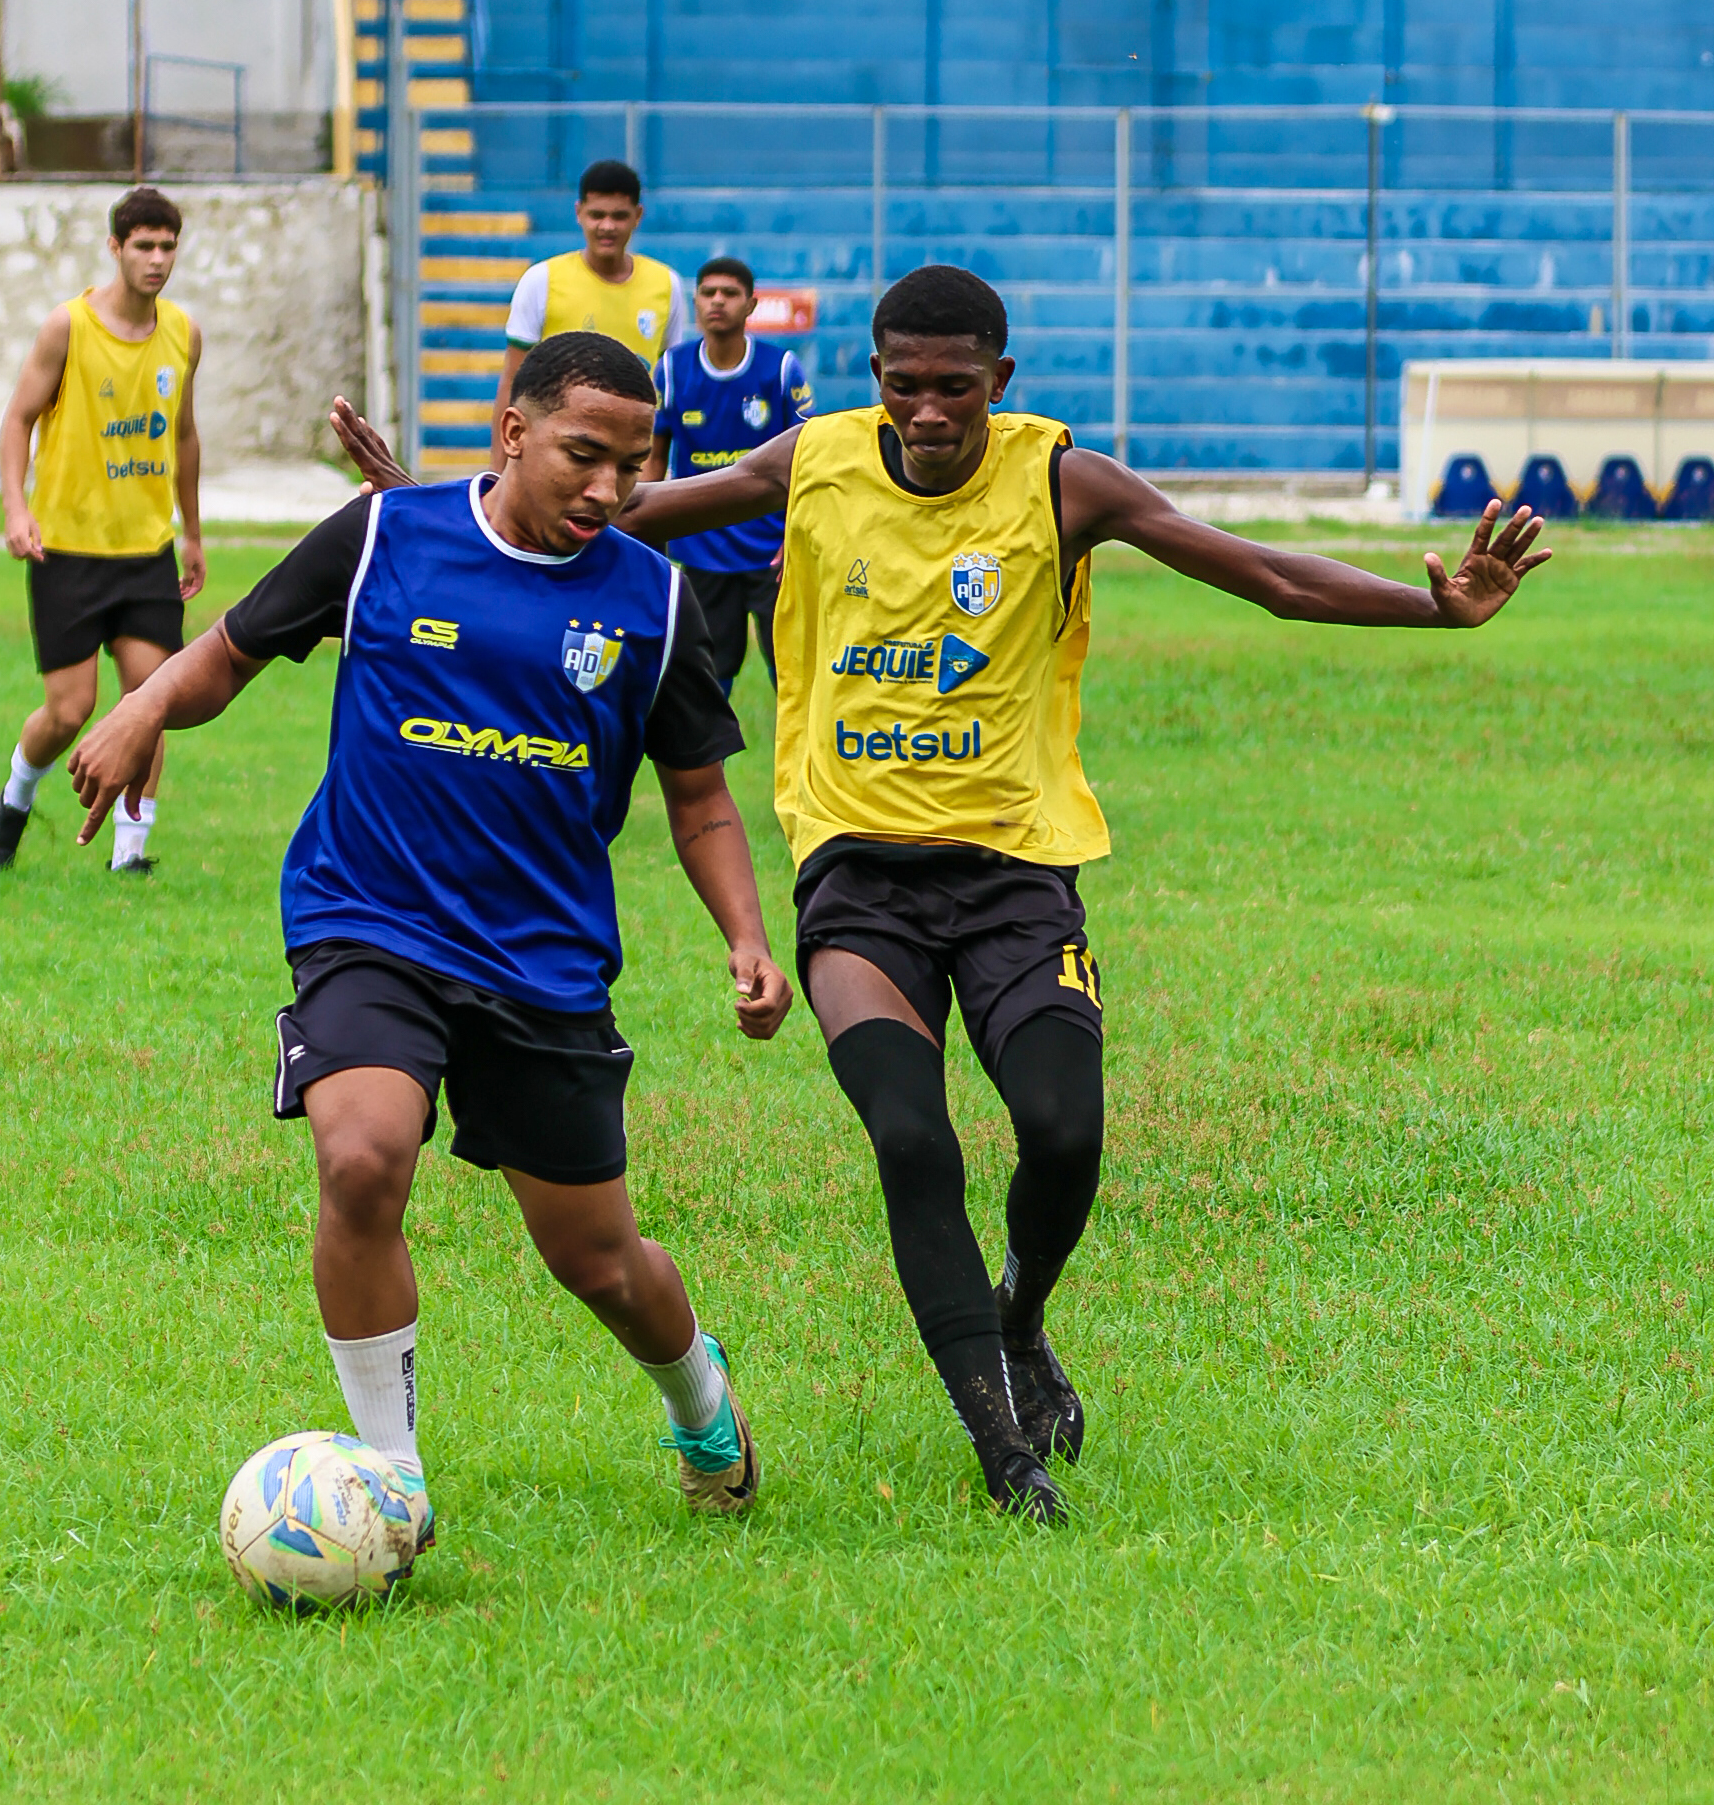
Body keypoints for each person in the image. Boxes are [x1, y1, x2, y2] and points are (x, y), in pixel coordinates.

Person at [328, 264, 1552, 1522]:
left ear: (998, 383)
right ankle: (1000, 1449)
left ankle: (1020, 1319)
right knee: (912, 1139)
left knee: (1064, 1132)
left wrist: (1435, 608)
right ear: (874, 380)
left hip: (1019, 873)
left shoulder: (1063, 479)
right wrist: (429, 514)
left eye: (953, 387)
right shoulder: (812, 460)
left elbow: (1256, 571)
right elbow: (614, 510)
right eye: (903, 384)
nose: (926, 409)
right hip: (856, 877)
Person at [67, 331, 796, 1558]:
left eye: (633, 464)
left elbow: (699, 797)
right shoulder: (383, 538)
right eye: (584, 455)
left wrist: (746, 937)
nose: (610, 491)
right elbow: (230, 651)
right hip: (371, 920)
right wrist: (141, 703)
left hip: (544, 962)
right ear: (510, 428)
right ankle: (388, 1485)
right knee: (360, 1158)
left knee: (600, 1260)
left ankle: (698, 1402)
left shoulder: (654, 601)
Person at [0, 185, 206, 875]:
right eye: (144, 246)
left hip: (145, 551)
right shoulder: (68, 327)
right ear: (116, 249)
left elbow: (186, 436)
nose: (158, 259)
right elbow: (18, 418)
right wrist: (18, 510)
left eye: (168, 246)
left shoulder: (183, 333)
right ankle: (16, 800)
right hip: (68, 550)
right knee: (70, 710)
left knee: (152, 699)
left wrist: (192, 532)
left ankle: (129, 856)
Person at [643, 255, 813, 694]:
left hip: (772, 555)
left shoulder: (779, 369)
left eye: (730, 293)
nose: (718, 301)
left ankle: (797, 764)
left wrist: (795, 538)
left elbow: (806, 458)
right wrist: (647, 537)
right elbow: (653, 460)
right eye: (708, 292)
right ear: (695, 302)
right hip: (703, 550)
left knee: (791, 675)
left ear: (751, 305)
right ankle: (709, 763)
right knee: (708, 683)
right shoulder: (671, 371)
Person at [492, 159, 686, 473]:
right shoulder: (541, 280)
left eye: (619, 216)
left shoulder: (667, 286)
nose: (607, 226)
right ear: (579, 212)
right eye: (597, 215)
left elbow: (668, 390)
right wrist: (497, 474)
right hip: (556, 457)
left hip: (628, 463)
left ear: (638, 216)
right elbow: (511, 385)